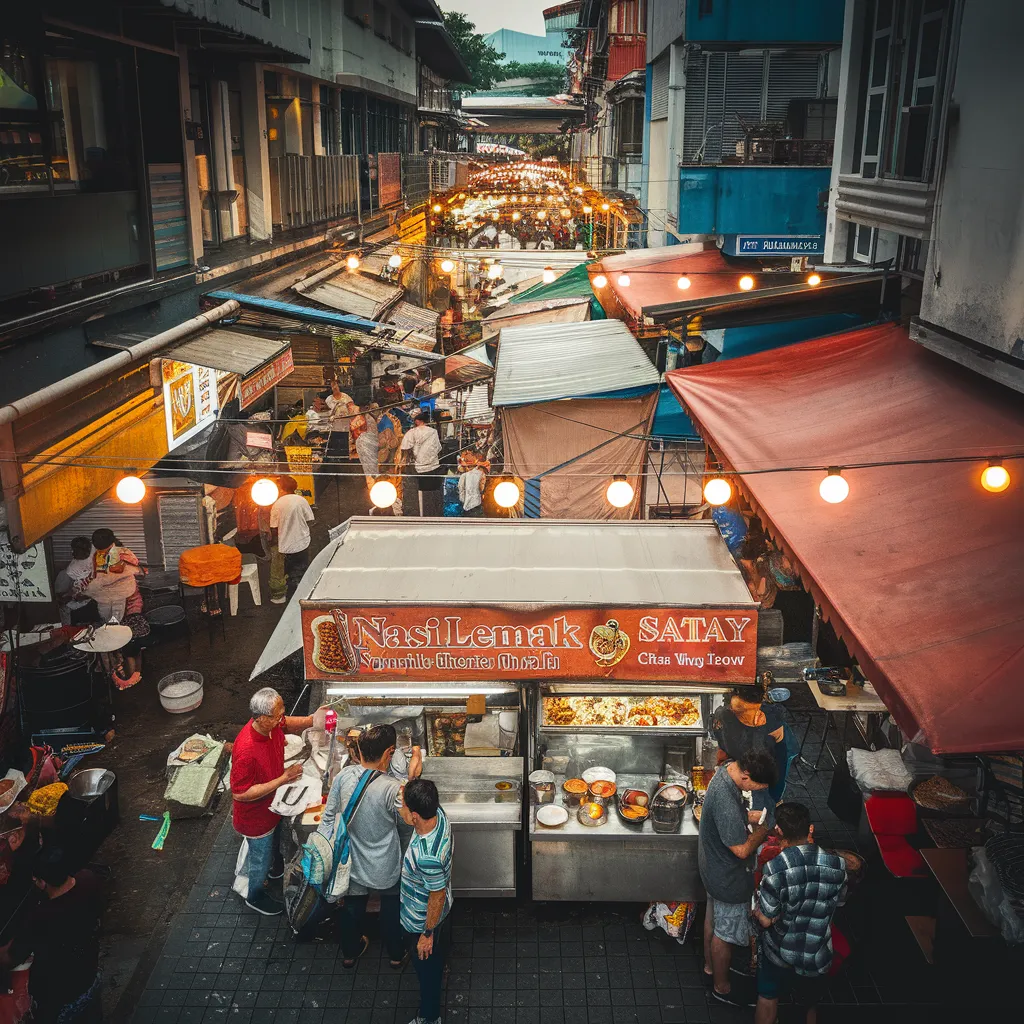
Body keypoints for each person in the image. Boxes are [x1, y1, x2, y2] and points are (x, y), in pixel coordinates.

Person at [318, 725, 422, 969]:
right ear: (389, 753)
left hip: (351, 859)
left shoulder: (343, 777)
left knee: (353, 907)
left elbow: (329, 815)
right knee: (391, 907)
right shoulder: (393, 789)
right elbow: (406, 825)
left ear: (358, 753)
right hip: (385, 862)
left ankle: (350, 953)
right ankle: (396, 955)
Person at [754, 803, 847, 1024]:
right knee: (810, 1005)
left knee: (768, 997)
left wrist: (756, 908)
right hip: (816, 953)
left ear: (779, 832)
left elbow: (766, 920)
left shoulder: (775, 870)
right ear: (811, 829)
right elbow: (840, 902)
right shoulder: (838, 865)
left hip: (779, 951)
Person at [698, 749, 777, 1007]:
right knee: (726, 933)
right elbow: (742, 850)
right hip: (727, 877)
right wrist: (763, 831)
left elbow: (733, 818)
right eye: (758, 785)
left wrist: (748, 816)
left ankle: (710, 967)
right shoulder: (725, 799)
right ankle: (722, 987)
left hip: (710, 867)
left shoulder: (728, 769)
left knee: (713, 917)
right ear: (745, 776)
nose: (759, 790)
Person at [230, 687, 313, 915]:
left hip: (273, 807)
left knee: (273, 850)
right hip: (256, 819)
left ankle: (274, 871)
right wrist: (283, 778)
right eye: (277, 715)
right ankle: (254, 896)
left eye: (282, 710)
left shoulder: (272, 726)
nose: (281, 718)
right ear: (261, 718)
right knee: (260, 860)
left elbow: (287, 723)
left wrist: (311, 720)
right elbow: (240, 793)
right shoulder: (246, 750)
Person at [6, 846, 104, 1023]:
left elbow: (12, 956)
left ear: (42, 881)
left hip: (61, 999)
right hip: (90, 978)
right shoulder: (89, 879)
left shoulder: (41, 917)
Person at [399, 778, 453, 1024]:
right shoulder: (439, 815)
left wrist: (426, 934)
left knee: (427, 974)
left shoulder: (426, 855)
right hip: (445, 911)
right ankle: (440, 962)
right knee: (439, 954)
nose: (401, 808)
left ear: (414, 817)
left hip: (423, 918)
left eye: (404, 806)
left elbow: (437, 894)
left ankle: (430, 1017)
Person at [81, 528, 148, 688]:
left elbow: (135, 572)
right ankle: (121, 674)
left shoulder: (123, 556)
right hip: (113, 605)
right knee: (114, 638)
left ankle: (130, 677)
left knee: (127, 643)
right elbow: (96, 578)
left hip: (130, 607)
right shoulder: (99, 557)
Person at [711, 684, 788, 802]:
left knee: (769, 794)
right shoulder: (724, 715)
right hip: (739, 759)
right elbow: (721, 743)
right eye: (736, 709)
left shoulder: (772, 720)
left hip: (761, 764)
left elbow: (778, 760)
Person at [269, 476, 314, 600]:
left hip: (285, 546)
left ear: (282, 489)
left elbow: (274, 526)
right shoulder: (301, 500)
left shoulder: (277, 504)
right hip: (302, 542)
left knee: (288, 572)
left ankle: (289, 598)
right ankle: (304, 595)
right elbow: (310, 519)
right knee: (302, 570)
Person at [400, 411, 443, 517]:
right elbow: (438, 448)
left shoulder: (412, 432)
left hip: (418, 469)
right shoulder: (433, 432)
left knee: (419, 495)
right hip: (433, 468)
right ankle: (433, 515)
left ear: (417, 421)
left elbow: (405, 448)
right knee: (432, 496)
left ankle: (420, 515)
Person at [53, 537, 97, 626]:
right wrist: (72, 596)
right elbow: (63, 596)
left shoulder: (95, 550)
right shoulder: (71, 570)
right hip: (82, 597)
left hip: (94, 594)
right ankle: (67, 627)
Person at [350, 402, 381, 495]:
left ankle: (374, 490)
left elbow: (354, 430)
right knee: (370, 470)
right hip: (365, 447)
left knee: (371, 470)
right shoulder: (362, 418)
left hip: (368, 447)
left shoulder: (365, 418)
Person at [326, 380, 357, 464]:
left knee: (344, 448)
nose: (334, 388)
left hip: (345, 428)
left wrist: (348, 414)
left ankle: (344, 463)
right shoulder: (329, 399)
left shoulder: (346, 397)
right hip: (334, 428)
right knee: (334, 448)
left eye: (335, 386)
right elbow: (326, 412)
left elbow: (353, 409)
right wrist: (330, 417)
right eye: (332, 387)